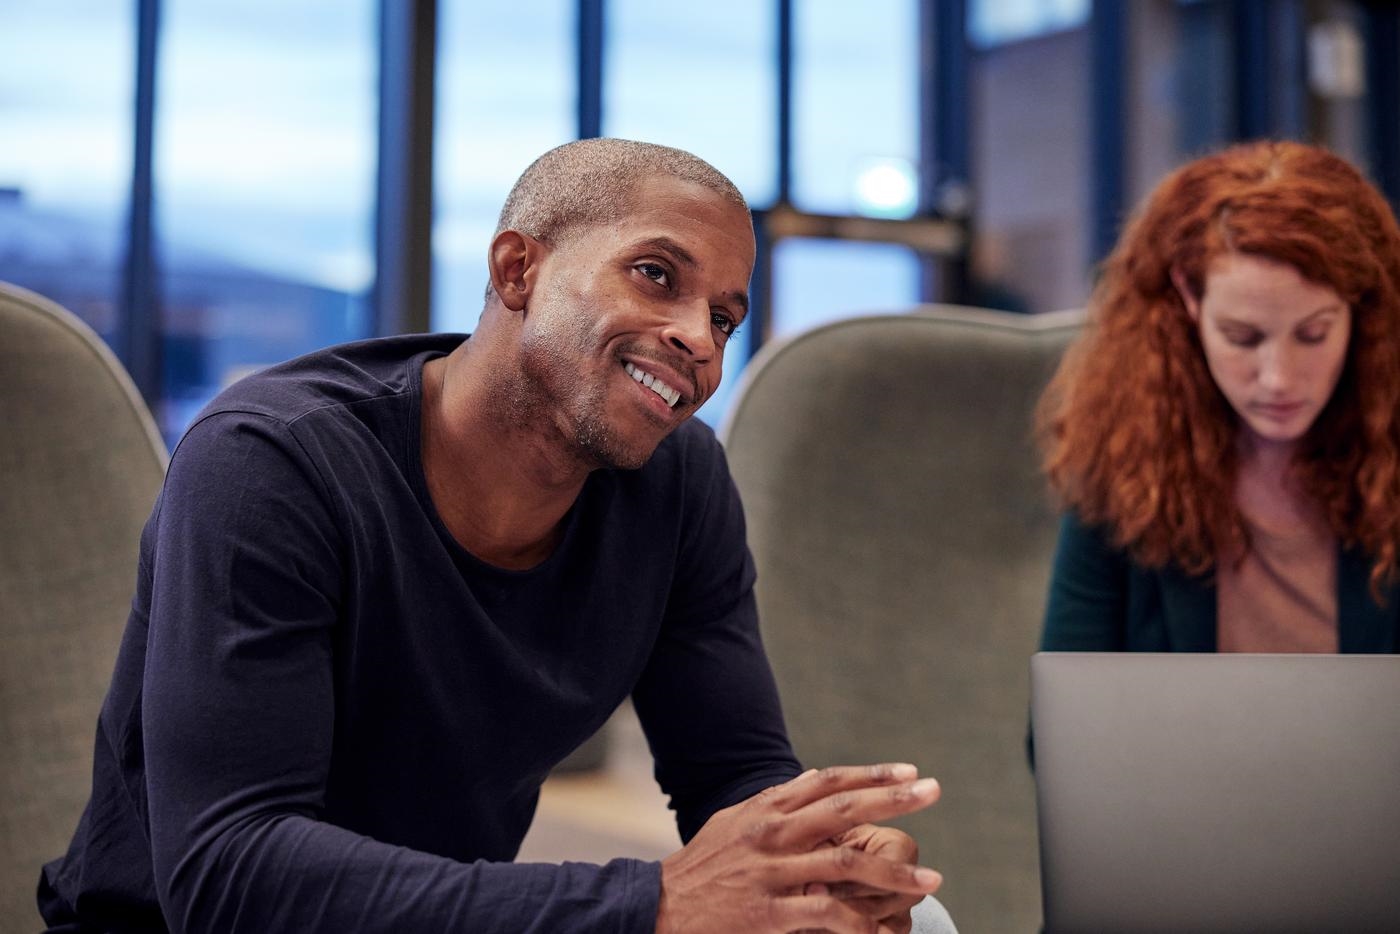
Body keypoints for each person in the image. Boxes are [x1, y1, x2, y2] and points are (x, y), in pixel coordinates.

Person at [37, 138, 954, 934]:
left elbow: (733, 771)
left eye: (723, 317)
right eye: (656, 275)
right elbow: (230, 876)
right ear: (519, 270)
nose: (700, 340)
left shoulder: (679, 483)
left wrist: (819, 862)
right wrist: (655, 905)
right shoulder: (272, 461)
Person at [1037, 140, 1400, 655]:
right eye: (1242, 337)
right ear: (1189, 297)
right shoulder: (1125, 464)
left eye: (1313, 334)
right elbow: (1067, 699)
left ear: (1360, 310)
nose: (1278, 378)